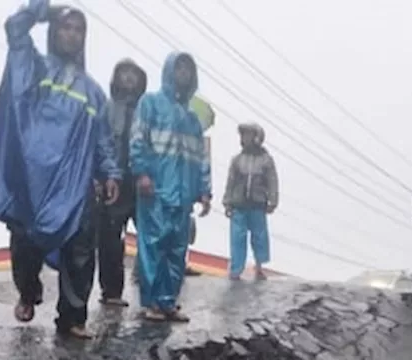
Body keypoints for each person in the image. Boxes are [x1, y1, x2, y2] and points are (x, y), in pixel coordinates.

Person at [0, 0, 120, 339]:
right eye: (66, 27)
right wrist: (43, 10)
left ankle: (73, 317)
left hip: (75, 182)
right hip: (33, 178)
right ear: (54, 31)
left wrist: (109, 173)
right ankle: (27, 290)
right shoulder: (35, 68)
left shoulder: (93, 93)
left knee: (81, 249)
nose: (72, 34)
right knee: (25, 243)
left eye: (79, 29)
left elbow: (103, 141)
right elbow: (15, 29)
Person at [130, 52, 212, 323]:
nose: (184, 73)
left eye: (188, 69)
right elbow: (138, 139)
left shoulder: (192, 120)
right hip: (155, 190)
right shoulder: (150, 103)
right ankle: (151, 301)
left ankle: (168, 302)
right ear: (169, 71)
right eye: (179, 68)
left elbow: (199, 157)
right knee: (153, 244)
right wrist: (141, 173)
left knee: (177, 249)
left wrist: (204, 190)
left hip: (183, 194)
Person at [97, 59, 148, 307]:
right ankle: (111, 291)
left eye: (133, 73)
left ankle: (150, 289)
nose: (128, 78)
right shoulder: (106, 108)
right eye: (123, 73)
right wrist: (103, 177)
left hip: (141, 182)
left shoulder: (148, 111)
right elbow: (100, 144)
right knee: (110, 238)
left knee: (149, 236)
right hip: (114, 181)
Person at [223, 122, 278, 281]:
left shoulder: (266, 160)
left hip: (257, 205)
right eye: (243, 135)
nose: (244, 138)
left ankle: (259, 267)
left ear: (257, 138)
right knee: (237, 238)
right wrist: (227, 202)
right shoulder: (237, 160)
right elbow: (230, 182)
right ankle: (236, 270)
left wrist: (272, 201)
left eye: (248, 135)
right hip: (239, 205)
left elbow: (272, 182)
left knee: (259, 237)